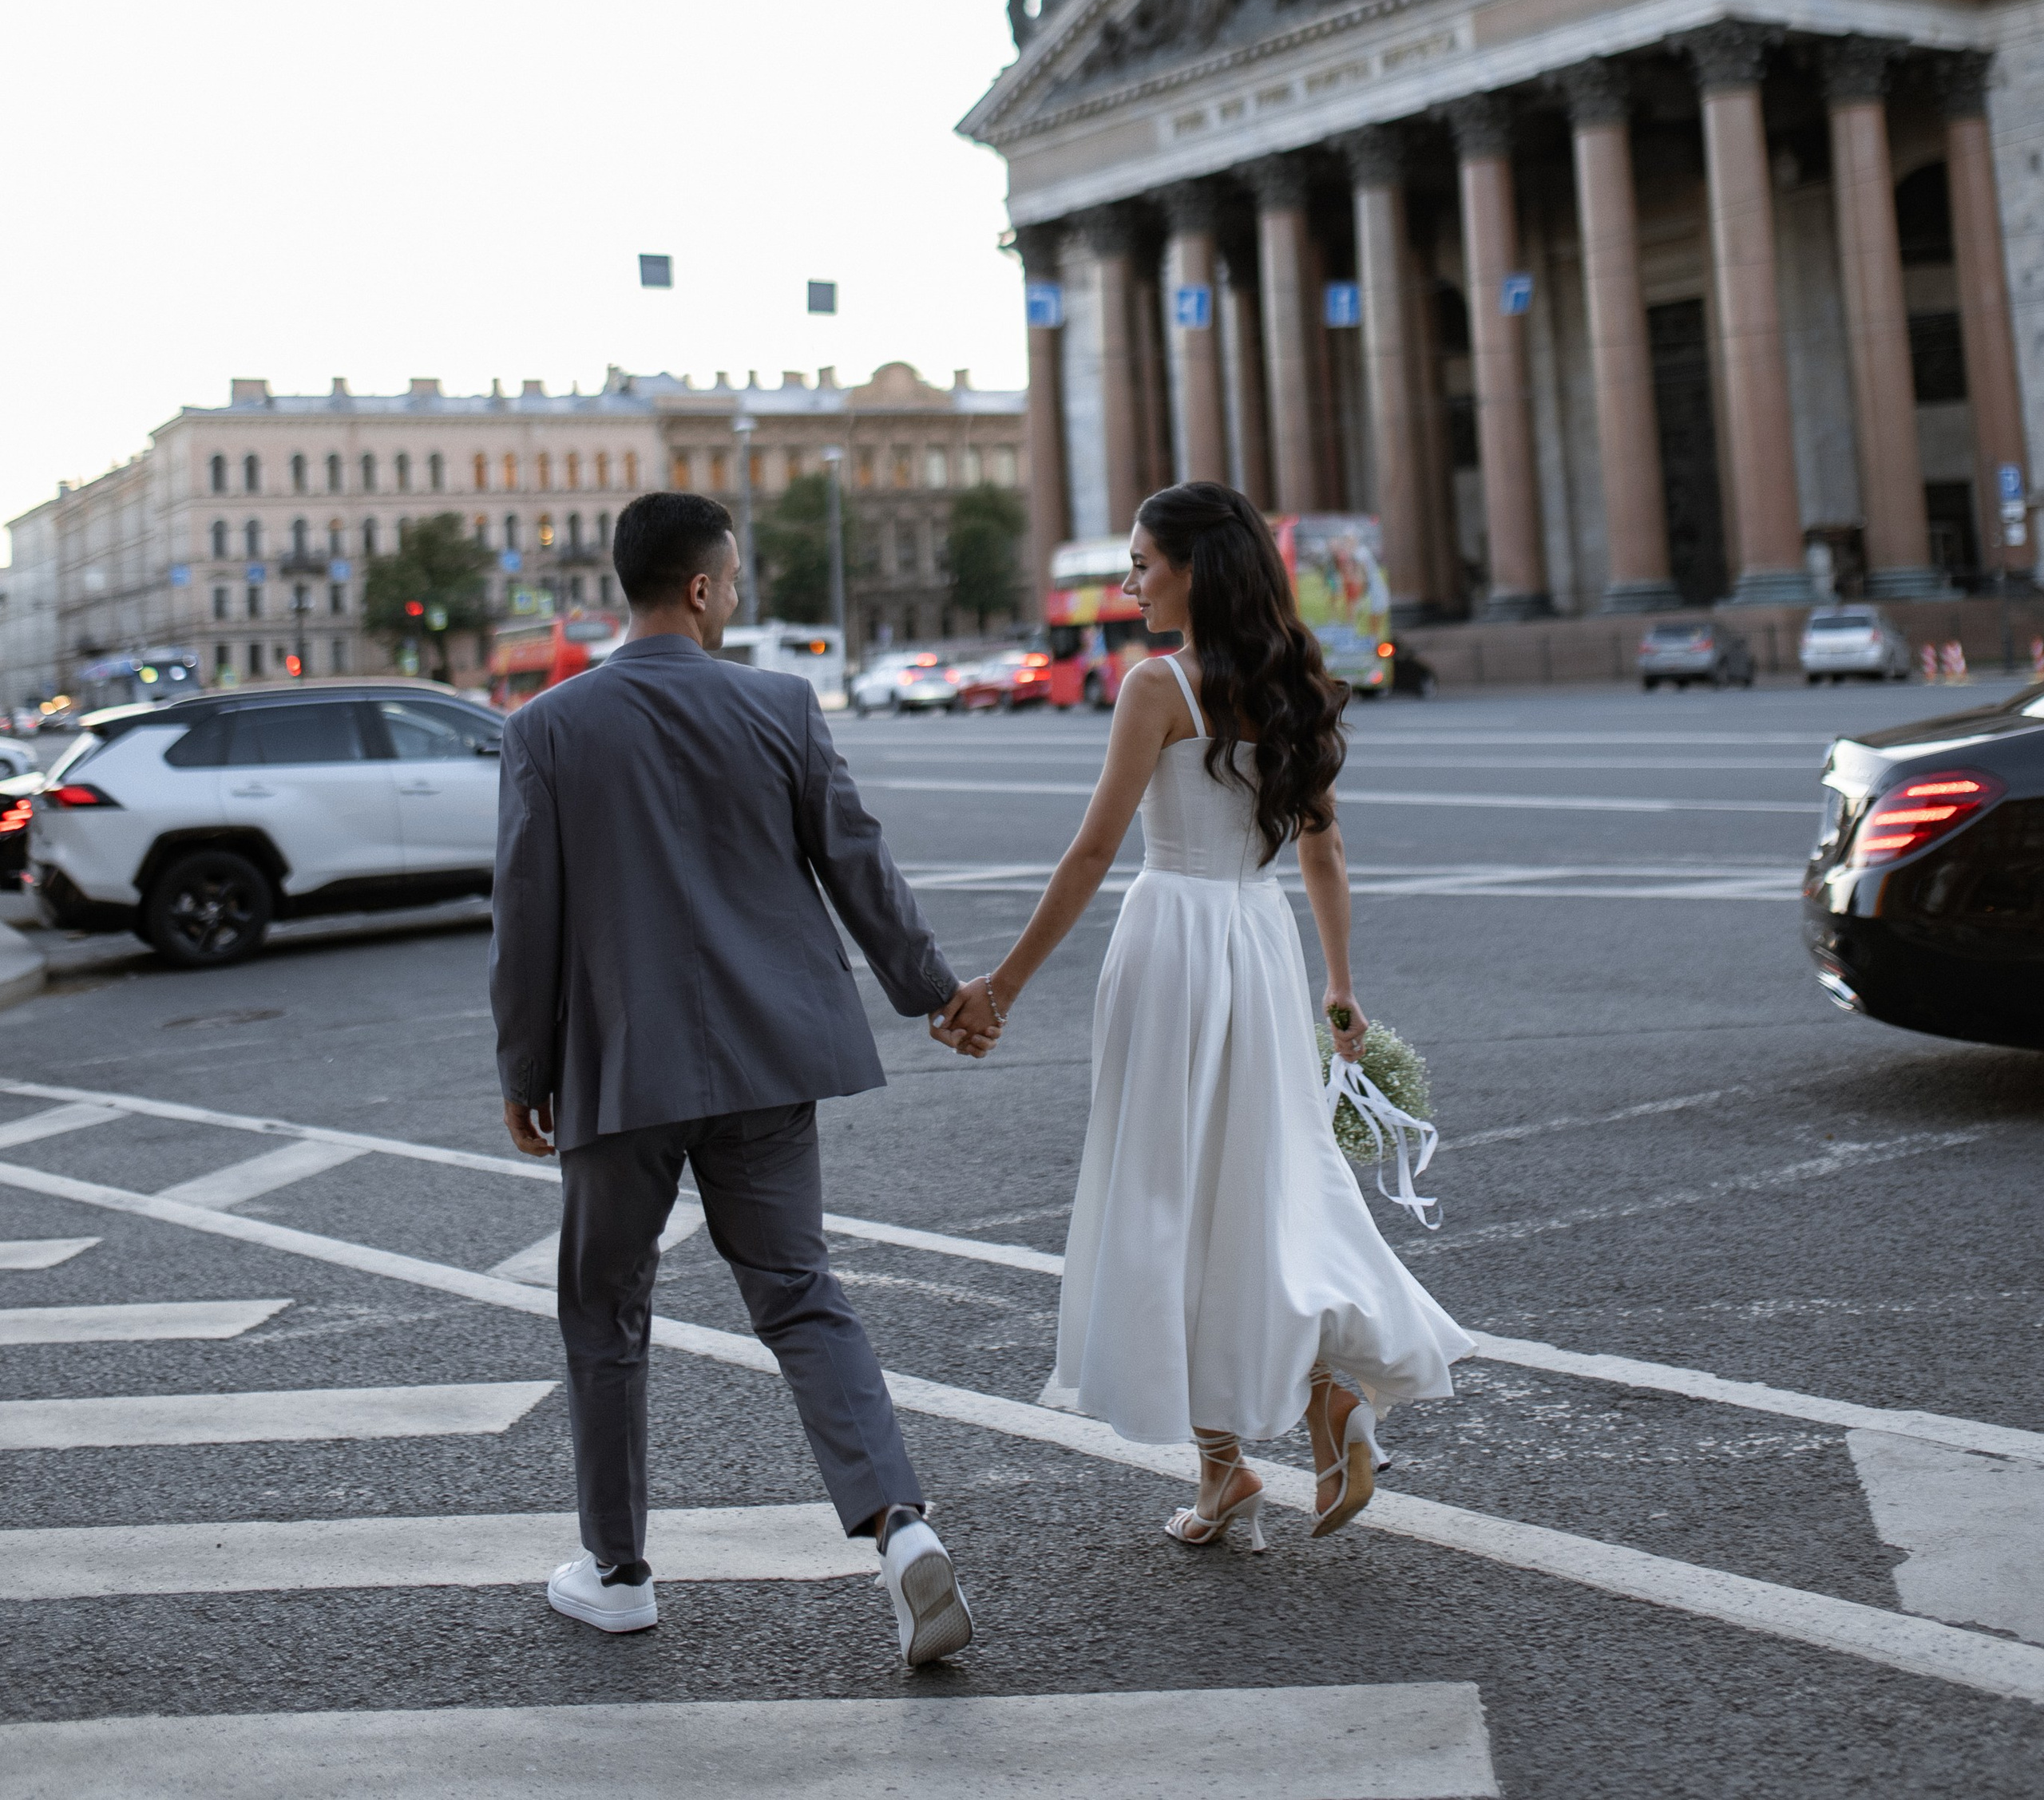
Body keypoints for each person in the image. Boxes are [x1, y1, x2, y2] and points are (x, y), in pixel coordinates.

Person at [490, 490, 1000, 1665]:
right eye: (737, 579)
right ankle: (899, 1527)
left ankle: (615, 1571)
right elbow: (857, 862)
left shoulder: (549, 728)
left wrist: (526, 1066)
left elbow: (526, 918)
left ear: (627, 585)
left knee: (604, 1310)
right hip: (772, 1057)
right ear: (707, 588)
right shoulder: (779, 704)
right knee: (799, 1292)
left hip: (617, 1069)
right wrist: (934, 995)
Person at [949, 481, 1468, 1547]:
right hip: (1262, 943)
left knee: (1166, 1195)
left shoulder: (1157, 687)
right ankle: (1309, 1401)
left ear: (1194, 569)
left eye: (1142, 562)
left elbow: (1093, 854)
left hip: (1173, 943)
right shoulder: (1294, 681)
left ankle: (1232, 1458)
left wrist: (999, 988)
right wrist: (1337, 985)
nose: (1130, 581)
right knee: (1267, 1187)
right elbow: (1320, 848)